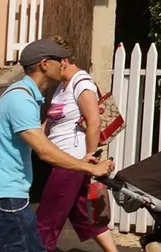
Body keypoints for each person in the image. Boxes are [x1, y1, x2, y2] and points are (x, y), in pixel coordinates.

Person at [0, 39, 113, 252]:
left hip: (6, 192)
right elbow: (44, 150)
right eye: (60, 60)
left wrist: (82, 159)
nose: (64, 64)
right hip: (6, 195)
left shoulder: (22, 94)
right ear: (45, 64)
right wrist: (91, 167)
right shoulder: (21, 99)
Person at [34, 41, 118, 252]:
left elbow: (94, 122)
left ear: (63, 61)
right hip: (64, 161)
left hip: (72, 162)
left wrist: (89, 159)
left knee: (47, 221)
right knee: (84, 216)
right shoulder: (62, 87)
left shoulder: (82, 83)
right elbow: (50, 124)